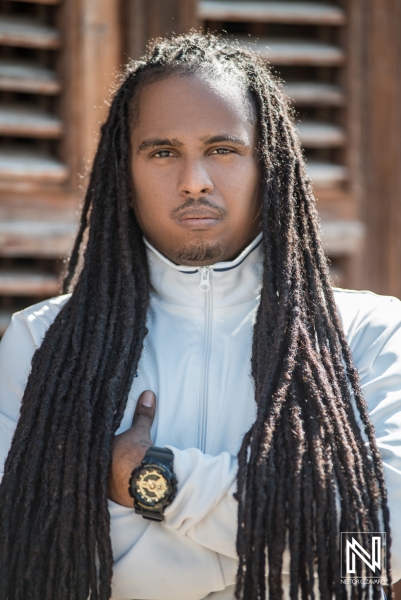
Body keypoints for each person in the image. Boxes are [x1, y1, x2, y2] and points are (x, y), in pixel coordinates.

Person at [0, 32, 400, 600]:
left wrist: (148, 481)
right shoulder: (42, 344)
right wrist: (300, 529)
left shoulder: (370, 333)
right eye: (163, 152)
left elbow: (381, 549)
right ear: (125, 175)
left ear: (270, 166)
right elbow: (28, 554)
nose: (194, 180)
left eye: (223, 149)